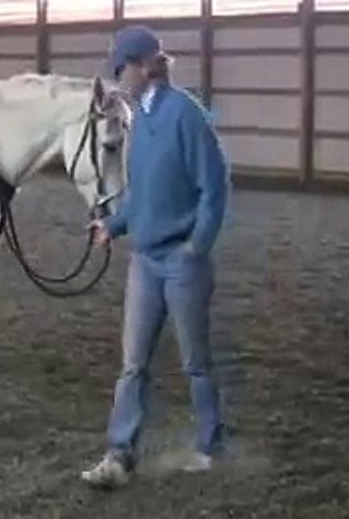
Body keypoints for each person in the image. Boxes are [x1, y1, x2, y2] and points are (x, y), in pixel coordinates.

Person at [81, 25, 231, 488]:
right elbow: (141, 194)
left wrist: (197, 244)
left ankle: (210, 446)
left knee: (195, 361)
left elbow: (215, 184)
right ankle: (119, 454)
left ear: (147, 66)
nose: (119, 76)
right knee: (133, 363)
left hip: (181, 260)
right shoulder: (139, 119)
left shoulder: (185, 114)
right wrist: (114, 225)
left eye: (123, 68)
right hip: (145, 261)